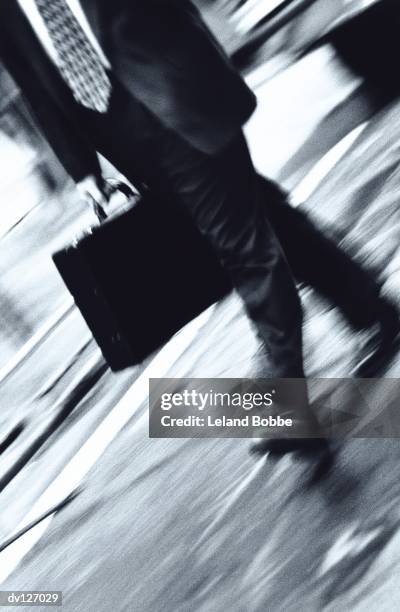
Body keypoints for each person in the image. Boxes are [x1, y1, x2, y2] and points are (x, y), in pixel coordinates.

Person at [0, 0, 398, 465]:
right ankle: (369, 307)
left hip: (179, 93)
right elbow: (31, 76)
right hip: (116, 131)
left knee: (240, 246)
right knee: (262, 216)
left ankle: (282, 405)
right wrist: (81, 169)